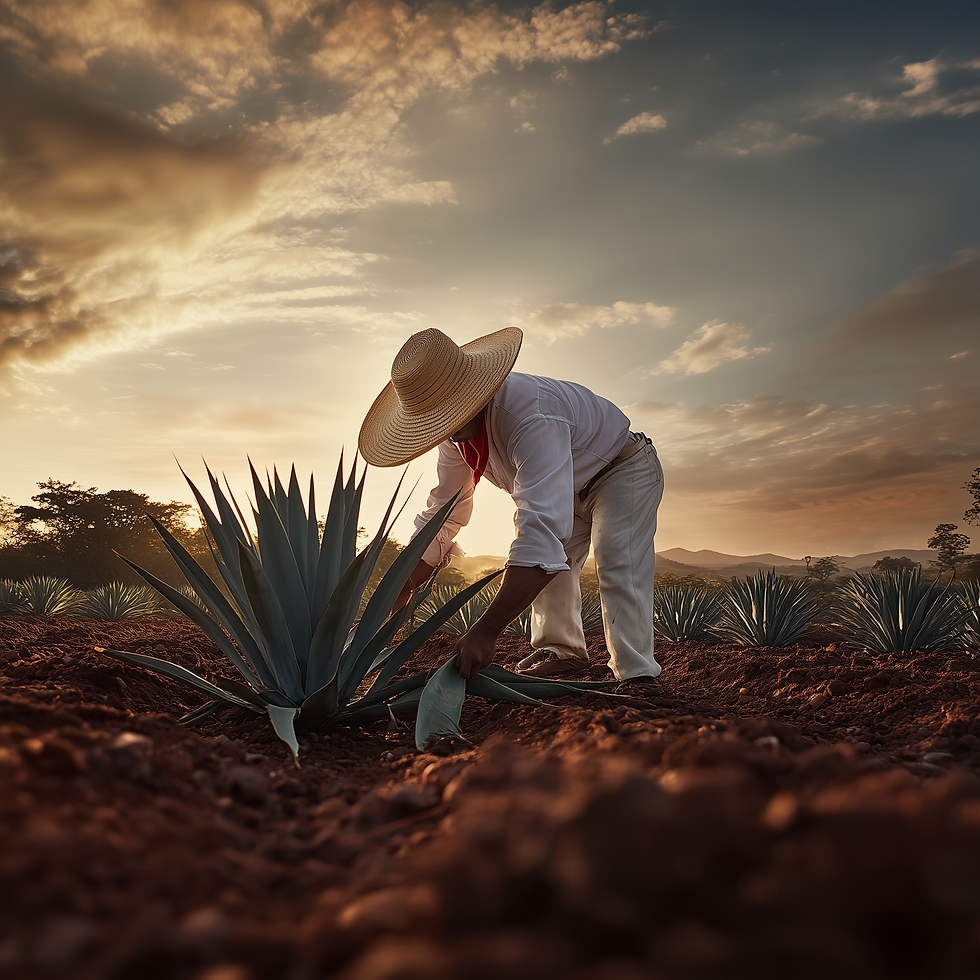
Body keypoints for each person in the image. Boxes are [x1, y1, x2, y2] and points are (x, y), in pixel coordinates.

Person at [357, 326, 664, 691]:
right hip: (567, 485)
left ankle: (637, 673)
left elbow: (539, 530)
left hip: (620, 468)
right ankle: (562, 654)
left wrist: (485, 633)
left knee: (616, 557)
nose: (444, 430)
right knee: (555, 564)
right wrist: (402, 585)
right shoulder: (454, 435)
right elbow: (446, 510)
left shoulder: (530, 416)